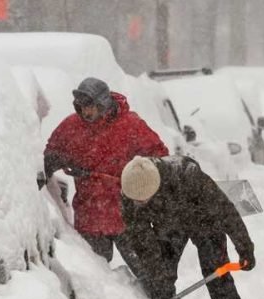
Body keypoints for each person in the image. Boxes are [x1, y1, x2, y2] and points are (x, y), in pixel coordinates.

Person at [119, 155, 255, 299]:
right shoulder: (130, 190)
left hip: (204, 221)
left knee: (218, 279)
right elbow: (141, 238)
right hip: (169, 228)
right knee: (160, 285)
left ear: (155, 189)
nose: (137, 204)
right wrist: (159, 273)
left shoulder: (189, 176)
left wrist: (244, 246)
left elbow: (226, 211)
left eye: (142, 201)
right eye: (134, 201)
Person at [43, 77, 170, 269]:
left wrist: (138, 178)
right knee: (96, 280)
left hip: (128, 216)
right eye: (81, 106)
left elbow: (159, 158)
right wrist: (60, 163)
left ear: (103, 103)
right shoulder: (71, 127)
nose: (86, 111)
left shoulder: (130, 125)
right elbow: (49, 157)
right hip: (90, 218)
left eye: (90, 106)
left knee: (151, 276)